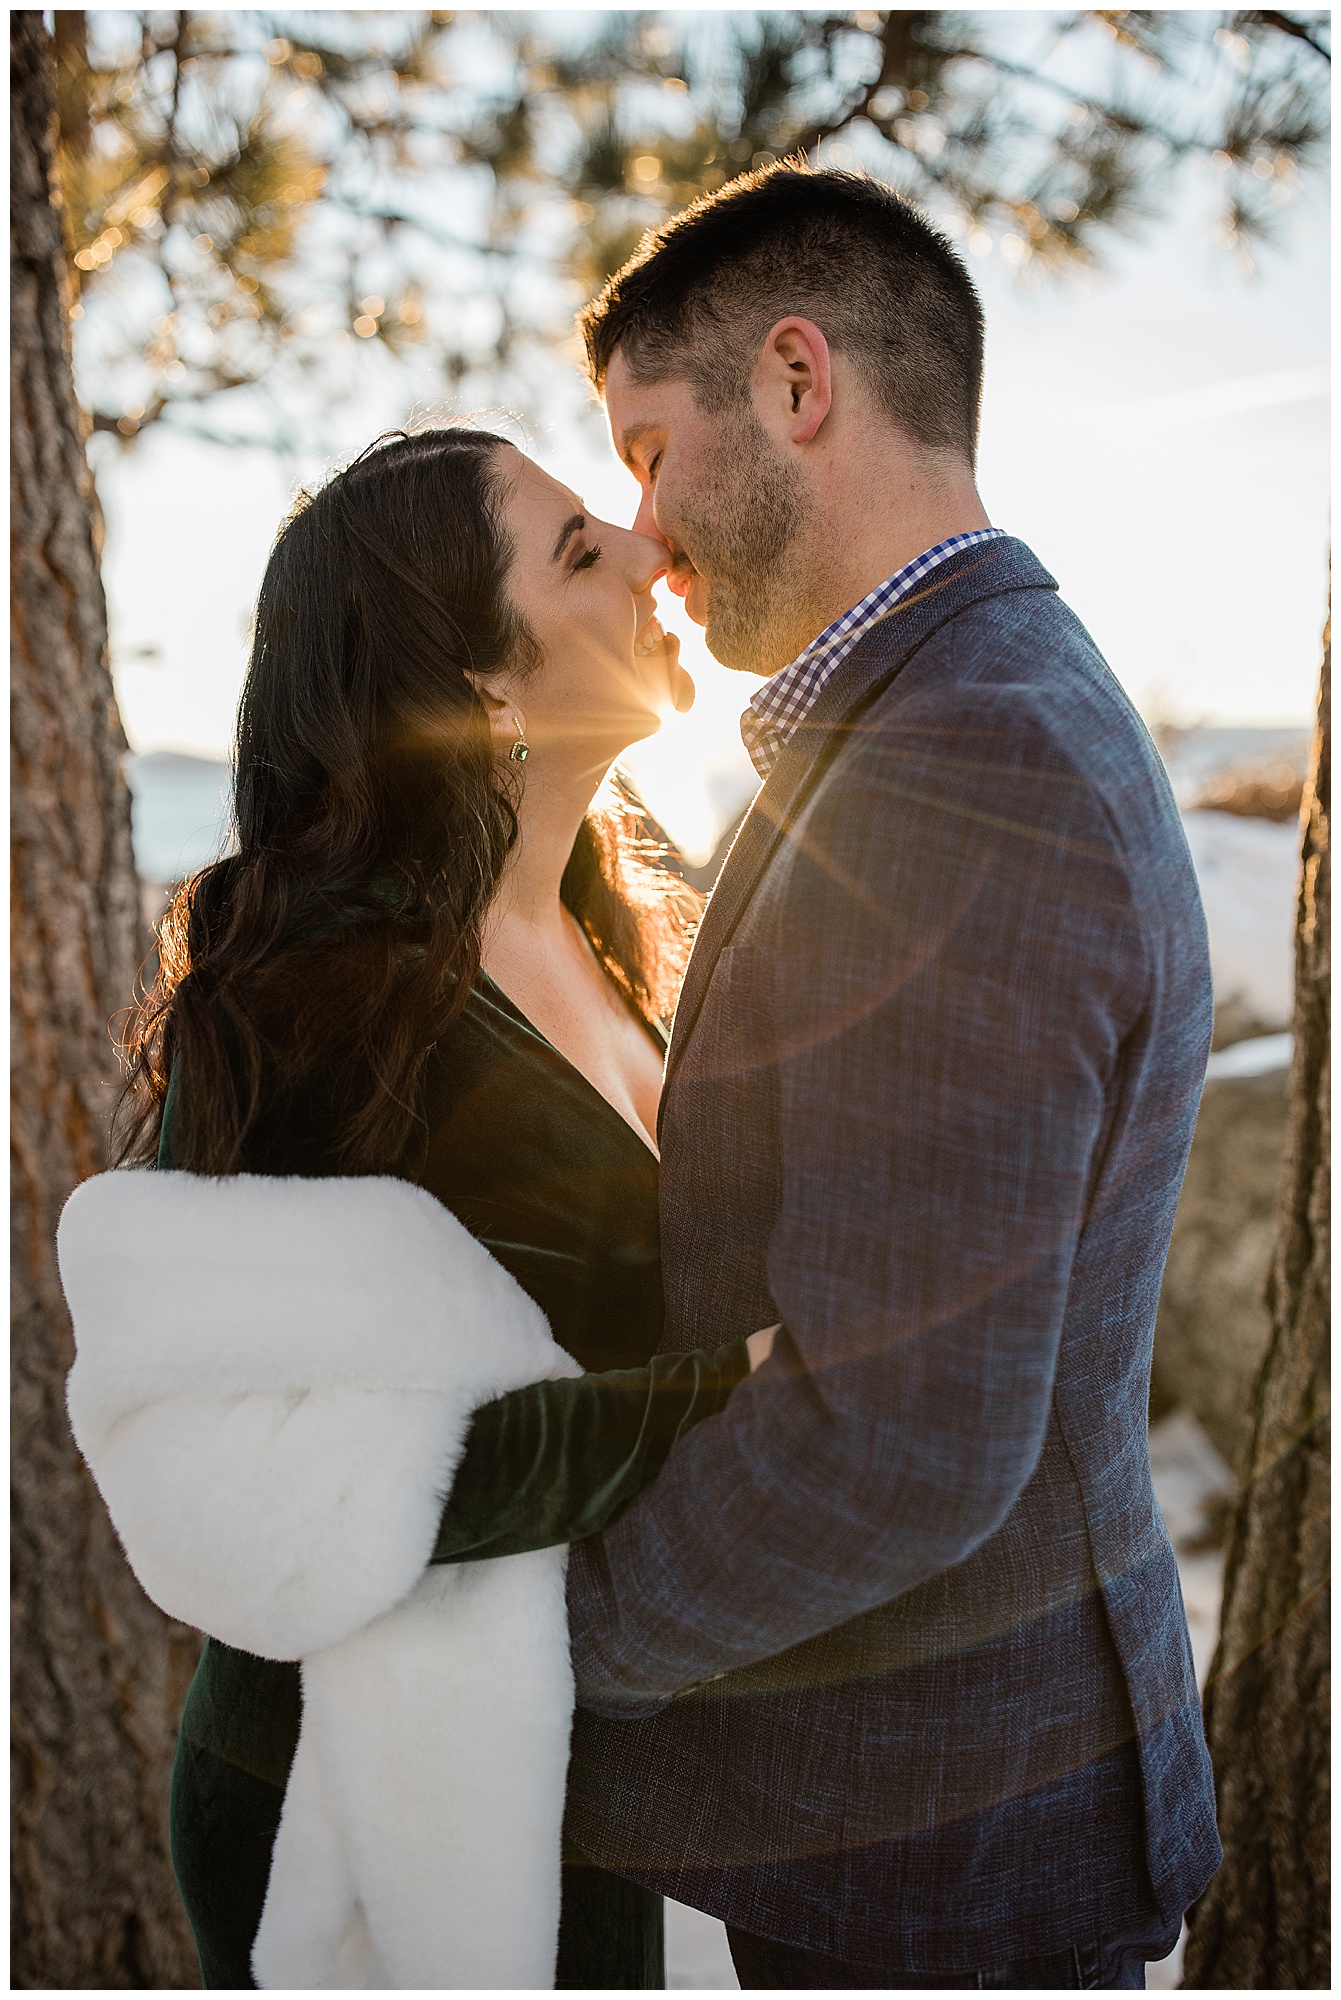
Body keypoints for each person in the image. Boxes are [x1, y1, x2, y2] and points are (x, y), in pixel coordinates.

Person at [559, 162, 1223, 1990]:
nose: (647, 525)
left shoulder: (963, 759)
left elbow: (900, 1432)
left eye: (646, 449)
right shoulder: (950, 702)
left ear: (794, 383)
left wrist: (548, 1637)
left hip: (946, 1855)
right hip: (952, 1801)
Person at [63, 426, 776, 1989]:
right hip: (364, 1809)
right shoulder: (315, 1002)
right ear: (478, 689)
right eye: (582, 551)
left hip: (596, 1759)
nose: (654, 552)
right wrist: (732, 1401)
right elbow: (223, 1475)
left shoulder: (617, 934)